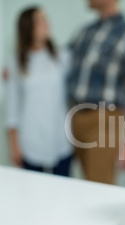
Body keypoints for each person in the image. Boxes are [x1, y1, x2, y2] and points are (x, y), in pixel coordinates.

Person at [66, 0, 125, 184]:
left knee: (99, 185)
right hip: (75, 117)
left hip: (104, 119)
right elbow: (58, 62)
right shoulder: (84, 33)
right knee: (78, 184)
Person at [5, 6, 73, 176]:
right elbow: (11, 109)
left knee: (63, 195)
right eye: (39, 21)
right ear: (27, 27)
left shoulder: (63, 58)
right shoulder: (14, 64)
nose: (45, 24)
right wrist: (14, 146)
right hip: (30, 142)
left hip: (61, 141)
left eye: (45, 19)